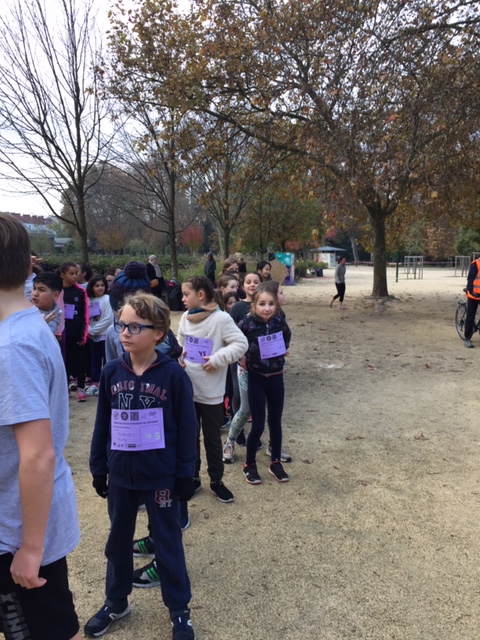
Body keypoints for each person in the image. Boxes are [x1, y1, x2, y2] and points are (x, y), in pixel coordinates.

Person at [85, 293, 198, 640]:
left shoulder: (173, 376)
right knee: (118, 541)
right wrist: (99, 467)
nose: (125, 333)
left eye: (135, 327)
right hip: (121, 475)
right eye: (122, 325)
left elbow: (187, 428)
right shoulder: (111, 372)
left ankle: (179, 610)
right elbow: (103, 424)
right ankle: (116, 601)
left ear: (158, 332)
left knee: (167, 542)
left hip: (160, 476)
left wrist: (186, 473)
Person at [0, 212, 81, 640]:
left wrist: (31, 548)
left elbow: (37, 454)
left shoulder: (13, 346)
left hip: (16, 534)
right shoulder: (22, 327)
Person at [178, 275, 248, 503]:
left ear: (200, 295)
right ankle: (193, 478)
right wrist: (179, 358)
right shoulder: (185, 318)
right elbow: (180, 343)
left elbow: (241, 344)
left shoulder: (221, 319)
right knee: (190, 438)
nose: (182, 298)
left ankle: (217, 480)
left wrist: (218, 359)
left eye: (186, 294)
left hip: (211, 395)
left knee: (212, 440)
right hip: (188, 391)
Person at [238, 283, 292, 485]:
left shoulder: (279, 321)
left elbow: (287, 334)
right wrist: (242, 356)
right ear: (254, 305)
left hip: (276, 376)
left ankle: (275, 462)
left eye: (271, 304)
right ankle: (249, 464)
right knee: (258, 424)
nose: (267, 308)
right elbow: (236, 340)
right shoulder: (247, 323)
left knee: (275, 421)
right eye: (262, 304)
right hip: (256, 377)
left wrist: (284, 348)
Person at [59, 261, 90, 402]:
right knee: (64, 360)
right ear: (62, 275)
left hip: (77, 331)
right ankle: (64, 387)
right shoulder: (58, 291)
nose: (75, 276)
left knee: (80, 360)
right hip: (62, 332)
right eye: (71, 274)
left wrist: (84, 334)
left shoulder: (80, 292)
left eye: (76, 273)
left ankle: (81, 388)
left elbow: (85, 313)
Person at [85, 275, 114, 396]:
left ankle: (105, 383)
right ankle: (95, 382)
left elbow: (108, 319)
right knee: (95, 361)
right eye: (97, 286)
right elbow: (86, 318)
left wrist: (93, 331)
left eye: (102, 285)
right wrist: (89, 330)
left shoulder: (107, 299)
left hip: (104, 335)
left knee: (106, 360)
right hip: (93, 337)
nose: (100, 288)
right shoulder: (88, 300)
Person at [463, 257, 480, 348]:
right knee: (471, 316)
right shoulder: (476, 263)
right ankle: (467, 338)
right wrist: (470, 290)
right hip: (474, 295)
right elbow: (470, 278)